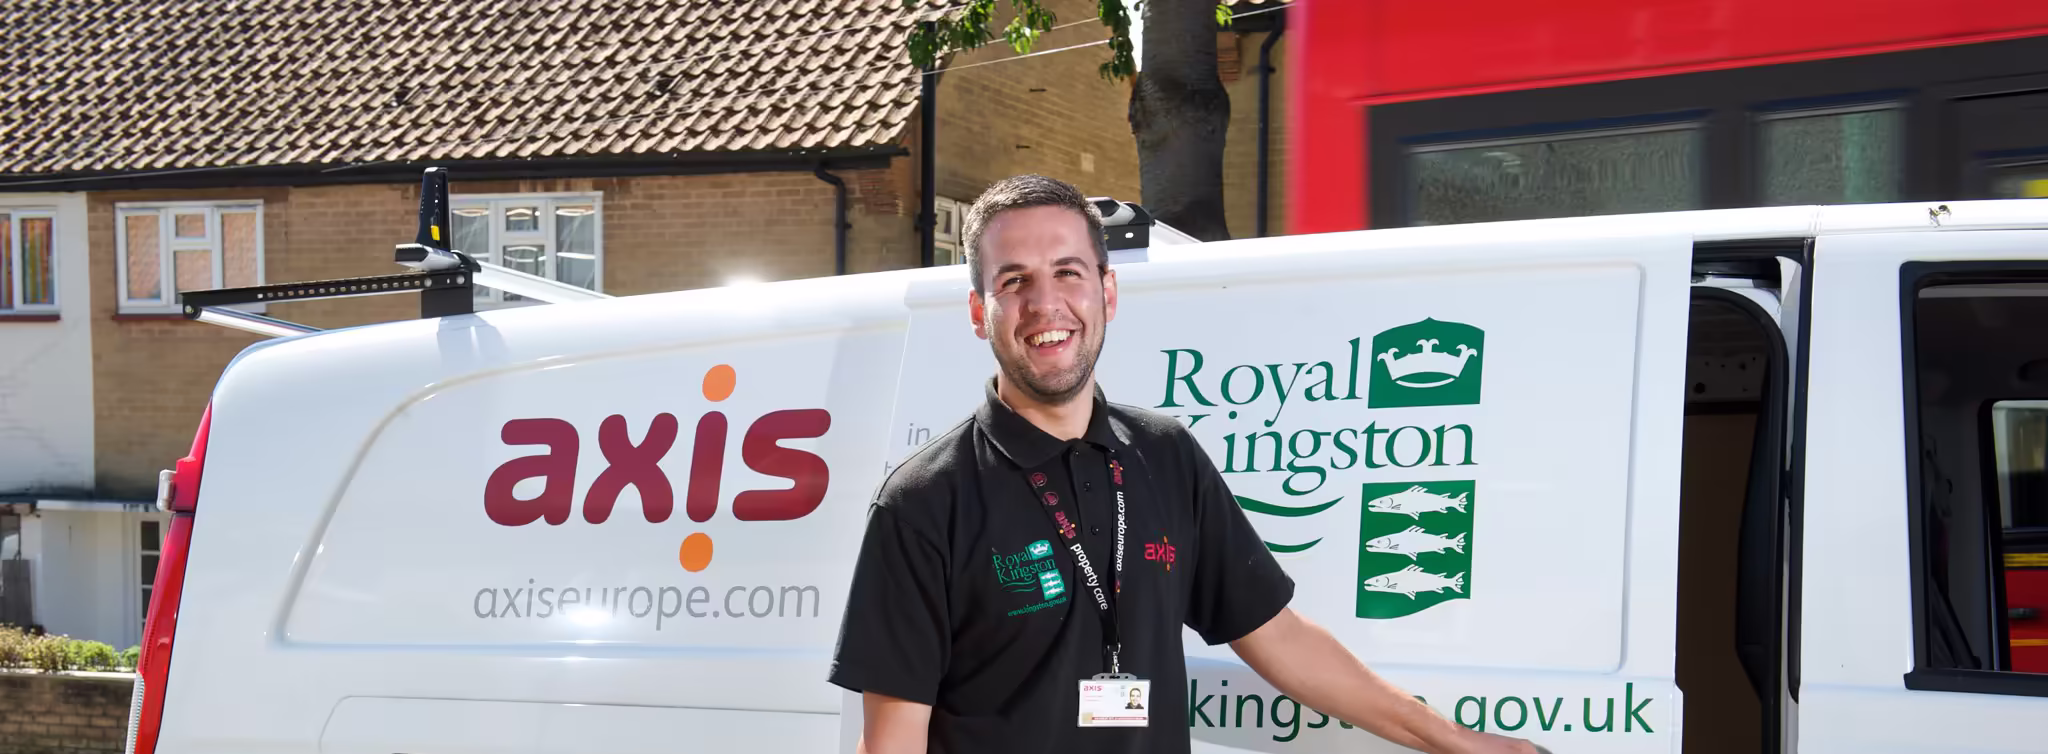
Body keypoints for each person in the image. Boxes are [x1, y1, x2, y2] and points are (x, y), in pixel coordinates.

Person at [826, 174, 1542, 754]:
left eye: (1068, 272)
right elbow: (892, 741)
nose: (1045, 304)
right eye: (1014, 281)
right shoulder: (925, 501)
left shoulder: (1164, 455)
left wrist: (1458, 742)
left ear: (1107, 292)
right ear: (979, 310)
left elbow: (1280, 638)